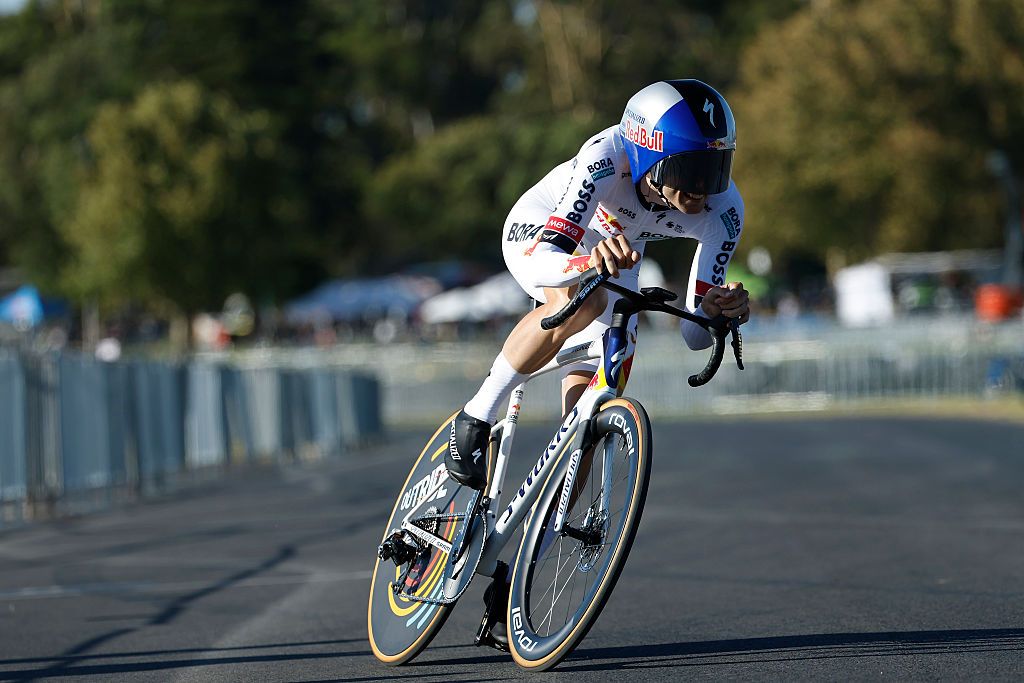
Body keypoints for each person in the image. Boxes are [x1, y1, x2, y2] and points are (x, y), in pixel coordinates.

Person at [445, 79, 750, 491]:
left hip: (617, 253)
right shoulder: (606, 158)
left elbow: (694, 335)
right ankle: (475, 415)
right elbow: (548, 260)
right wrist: (590, 262)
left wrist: (714, 312)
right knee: (586, 301)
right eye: (689, 169)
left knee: (599, 396)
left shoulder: (725, 210)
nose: (702, 188)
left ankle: (537, 537)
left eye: (715, 169)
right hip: (545, 233)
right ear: (647, 153)